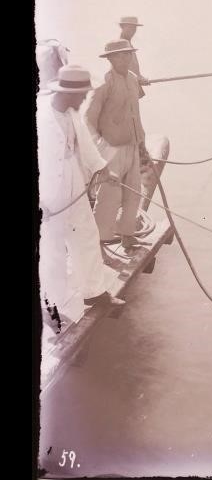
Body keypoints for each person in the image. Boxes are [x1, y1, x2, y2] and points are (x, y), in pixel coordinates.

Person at [38, 65, 125, 335]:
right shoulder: (41, 116)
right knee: (51, 249)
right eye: (83, 94)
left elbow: (85, 144)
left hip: (72, 181)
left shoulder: (72, 113)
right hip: (47, 191)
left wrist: (102, 168)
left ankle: (93, 290)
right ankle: (53, 307)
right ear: (68, 93)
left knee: (86, 233)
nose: (85, 99)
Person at [85, 39, 149, 251]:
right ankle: (100, 241)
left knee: (134, 192)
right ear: (110, 59)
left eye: (128, 53)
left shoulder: (132, 79)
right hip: (111, 149)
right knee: (109, 197)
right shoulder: (102, 85)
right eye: (121, 55)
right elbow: (89, 122)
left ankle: (127, 235)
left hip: (132, 145)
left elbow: (135, 113)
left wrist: (142, 143)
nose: (126, 57)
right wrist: (98, 153)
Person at [118, 16, 150, 87]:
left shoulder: (128, 45)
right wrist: (138, 79)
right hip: (123, 89)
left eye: (134, 28)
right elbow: (120, 71)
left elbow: (133, 70)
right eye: (130, 27)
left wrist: (141, 78)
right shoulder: (118, 45)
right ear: (122, 26)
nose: (132, 31)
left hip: (131, 88)